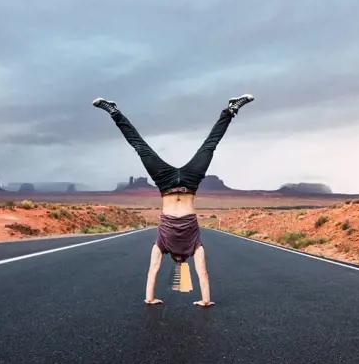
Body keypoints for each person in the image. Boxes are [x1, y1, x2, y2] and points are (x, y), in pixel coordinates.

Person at [92, 94, 254, 307]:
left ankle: (114, 111)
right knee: (209, 146)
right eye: (181, 260)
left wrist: (150, 298)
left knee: (140, 147)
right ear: (183, 257)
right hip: (190, 181)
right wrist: (205, 300)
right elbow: (202, 273)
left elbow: (154, 270)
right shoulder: (195, 246)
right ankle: (231, 110)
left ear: (176, 257)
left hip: (165, 183)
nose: (180, 259)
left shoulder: (162, 244)